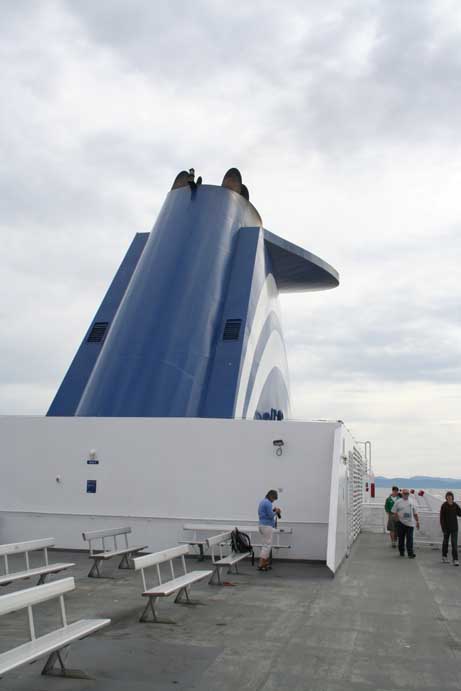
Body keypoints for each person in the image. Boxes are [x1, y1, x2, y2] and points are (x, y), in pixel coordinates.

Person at [258, 489, 281, 571]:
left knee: (265, 545)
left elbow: (265, 514)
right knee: (267, 546)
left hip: (262, 525)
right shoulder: (268, 503)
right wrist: (276, 511)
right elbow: (271, 516)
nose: (273, 501)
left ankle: (264, 563)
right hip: (267, 526)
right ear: (271, 496)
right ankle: (261, 564)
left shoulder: (262, 502)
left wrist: (273, 511)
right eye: (274, 499)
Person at [392, 489, 420, 558]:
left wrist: (417, 521)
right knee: (401, 538)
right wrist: (397, 520)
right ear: (402, 494)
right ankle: (401, 551)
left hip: (410, 523)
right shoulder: (398, 502)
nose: (406, 495)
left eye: (407, 493)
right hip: (401, 523)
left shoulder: (412, 501)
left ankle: (410, 553)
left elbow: (415, 513)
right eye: (404, 493)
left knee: (410, 538)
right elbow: (394, 511)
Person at [440, 491, 461, 566]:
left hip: (454, 528)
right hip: (446, 528)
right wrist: (443, 528)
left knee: (454, 544)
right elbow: (442, 518)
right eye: (448, 496)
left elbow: (460, 513)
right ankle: (444, 557)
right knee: (445, 543)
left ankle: (455, 559)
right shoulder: (444, 505)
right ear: (446, 497)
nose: (449, 498)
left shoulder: (455, 505)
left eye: (450, 496)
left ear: (452, 497)